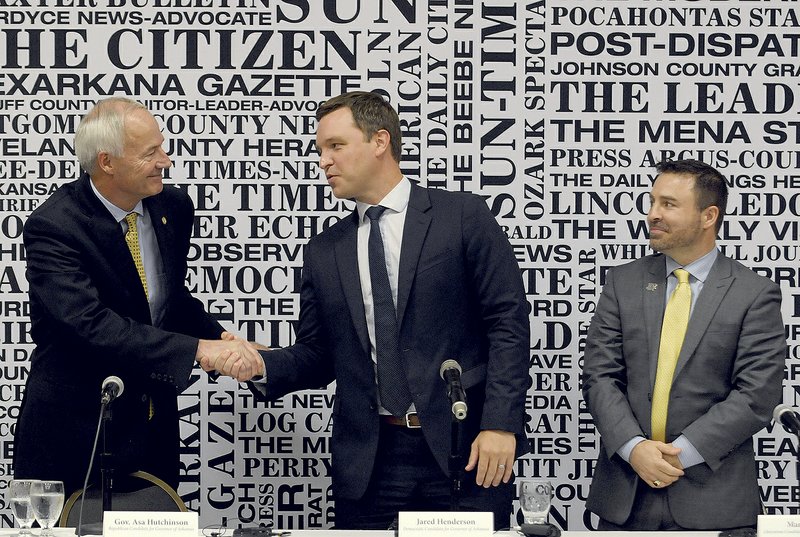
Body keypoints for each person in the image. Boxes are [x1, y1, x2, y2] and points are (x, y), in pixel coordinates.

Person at [209, 91, 530, 529]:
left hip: (466, 448)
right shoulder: (325, 251)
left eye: (336, 146)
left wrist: (500, 425)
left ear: (380, 141)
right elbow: (318, 356)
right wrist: (259, 363)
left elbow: (507, 324)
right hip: (372, 462)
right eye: (320, 150)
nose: (324, 161)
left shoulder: (461, 216)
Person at [13, 97, 261, 496]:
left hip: (150, 425)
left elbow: (168, 298)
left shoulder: (172, 207)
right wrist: (199, 349)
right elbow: (90, 324)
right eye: (151, 153)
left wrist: (225, 341)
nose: (166, 160)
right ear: (107, 162)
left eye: (162, 146)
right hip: (75, 430)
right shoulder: (54, 225)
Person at [582, 159, 786, 530]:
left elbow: (756, 394)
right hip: (627, 497)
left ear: (709, 216)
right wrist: (634, 449)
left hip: (714, 501)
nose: (652, 214)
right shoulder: (623, 282)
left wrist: (679, 456)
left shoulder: (754, 294)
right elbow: (600, 376)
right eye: (652, 201)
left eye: (668, 204)